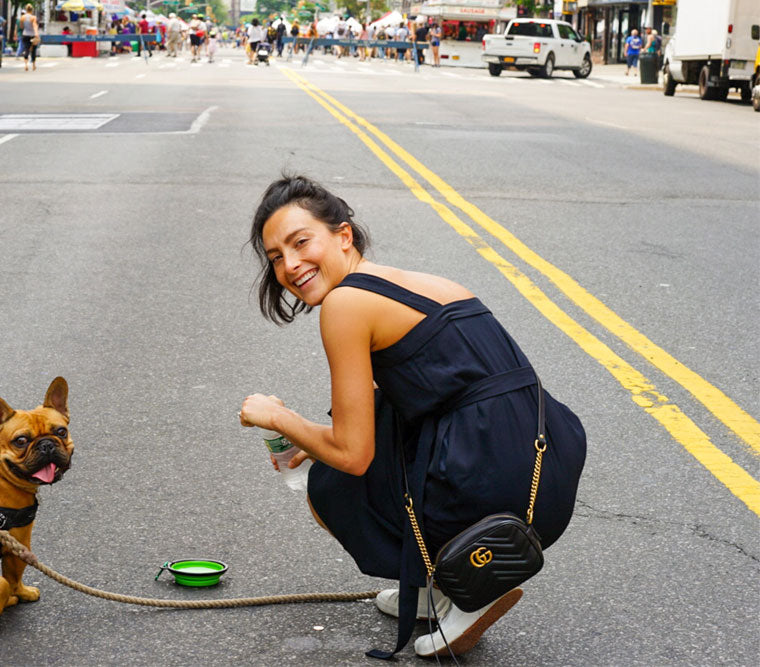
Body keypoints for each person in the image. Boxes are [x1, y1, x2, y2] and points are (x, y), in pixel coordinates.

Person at [240, 175, 586, 659]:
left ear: (343, 235)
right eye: (276, 257)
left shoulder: (345, 304)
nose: (290, 265)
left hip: (497, 484)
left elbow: (354, 455)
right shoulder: (418, 283)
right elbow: (392, 416)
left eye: (301, 243)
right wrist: (315, 435)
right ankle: (439, 587)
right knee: (370, 435)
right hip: (543, 467)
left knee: (331, 484)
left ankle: (471, 583)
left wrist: (277, 418)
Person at [20, 4, 38, 71]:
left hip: (25, 34)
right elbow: (34, 26)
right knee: (33, 50)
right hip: (32, 35)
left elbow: (21, 27)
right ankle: (33, 65)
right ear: (32, 10)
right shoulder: (33, 17)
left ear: (26, 9)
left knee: (26, 49)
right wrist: (36, 34)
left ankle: (26, 65)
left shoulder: (22, 17)